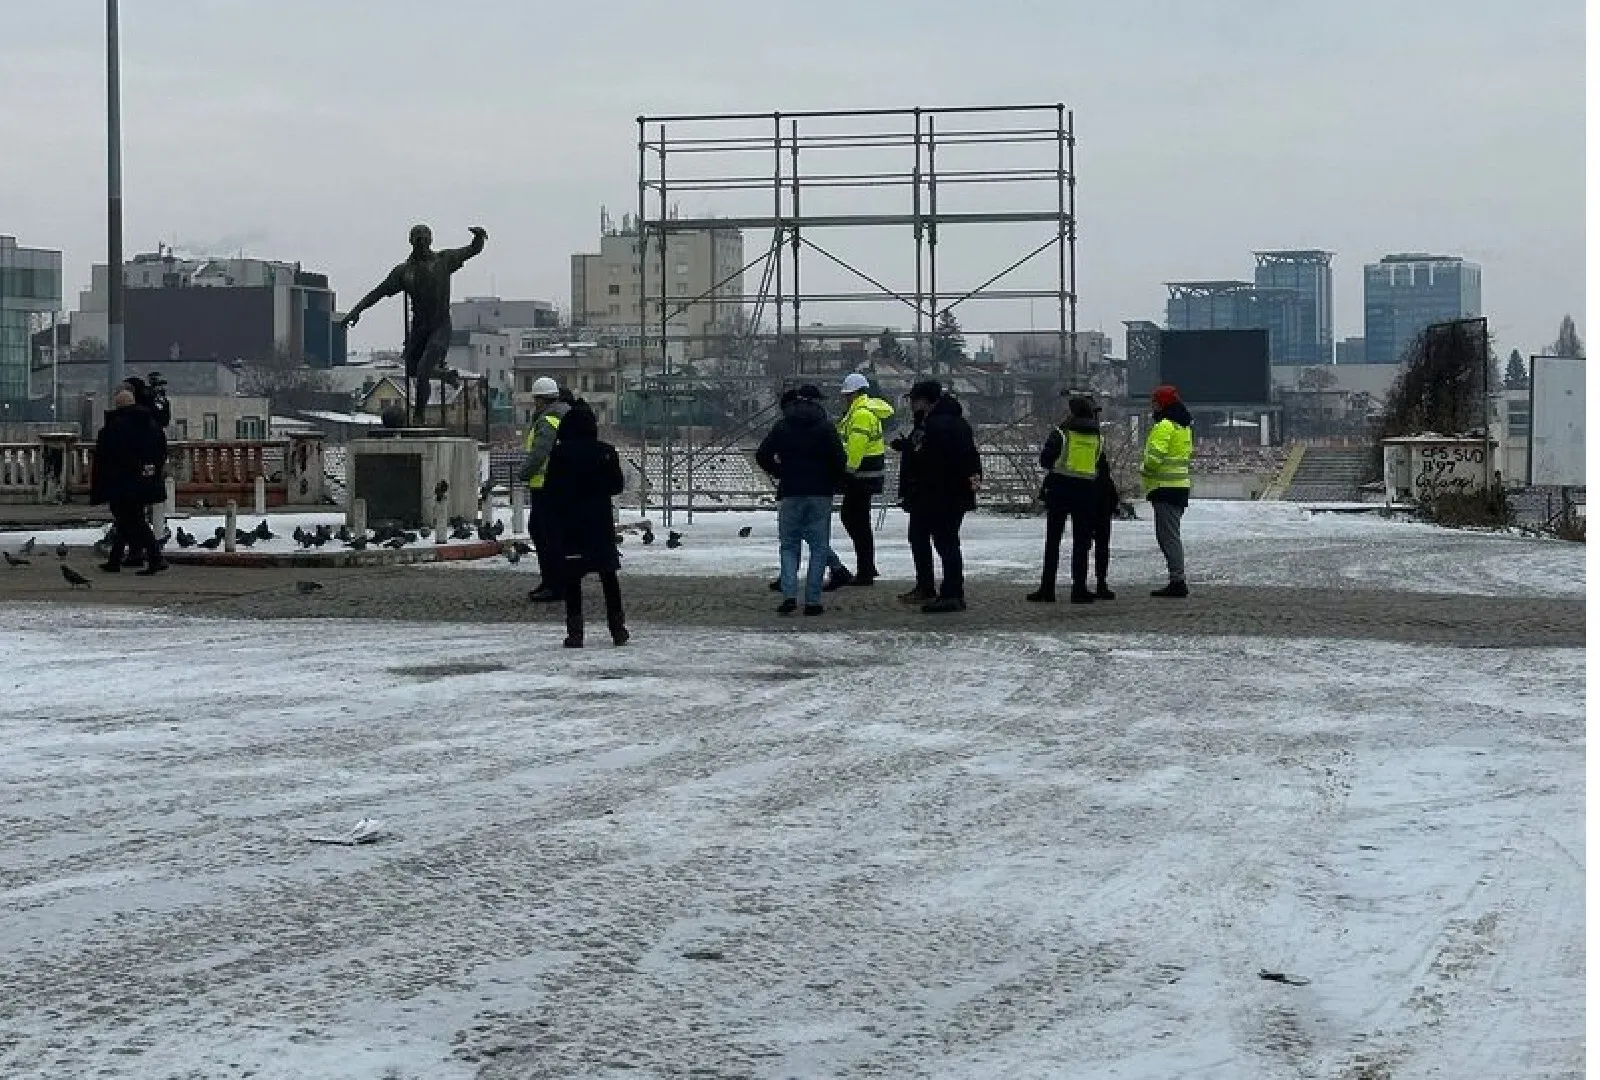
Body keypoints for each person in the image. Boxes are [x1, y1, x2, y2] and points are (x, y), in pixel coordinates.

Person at [340, 224, 488, 423]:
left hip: (440, 326)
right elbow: (378, 292)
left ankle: (419, 416)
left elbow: (472, 250)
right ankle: (444, 375)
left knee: (422, 370)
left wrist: (478, 238)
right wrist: (356, 311)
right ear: (411, 241)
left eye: (424, 237)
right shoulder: (404, 272)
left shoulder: (444, 260)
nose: (421, 241)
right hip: (419, 328)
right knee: (413, 370)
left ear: (430, 240)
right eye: (417, 238)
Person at [543, 400, 629, 648]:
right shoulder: (606, 451)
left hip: (570, 523)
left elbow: (551, 490)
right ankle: (617, 628)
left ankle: (575, 632)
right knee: (608, 577)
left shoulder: (559, 454)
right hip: (599, 523)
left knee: (572, 579)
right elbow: (616, 486)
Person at [755, 384, 847, 616]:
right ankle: (813, 601)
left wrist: (779, 471)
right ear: (817, 403)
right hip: (820, 493)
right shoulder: (825, 428)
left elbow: (762, 455)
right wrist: (832, 481)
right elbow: (840, 458)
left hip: (789, 492)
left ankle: (789, 595)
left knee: (788, 546)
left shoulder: (782, 426)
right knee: (818, 547)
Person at [898, 380, 981, 614]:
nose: (911, 404)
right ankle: (934, 588)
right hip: (944, 494)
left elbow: (931, 460)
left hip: (938, 495)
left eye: (914, 399)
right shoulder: (953, 423)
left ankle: (951, 593)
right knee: (930, 538)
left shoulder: (936, 426)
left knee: (945, 542)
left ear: (925, 400)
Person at [1030, 395, 1115, 604]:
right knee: (1081, 542)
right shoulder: (1097, 438)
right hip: (1086, 493)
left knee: (1053, 541)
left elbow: (1045, 460)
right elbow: (1098, 465)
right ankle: (1079, 588)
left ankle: (1047, 588)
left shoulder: (1061, 433)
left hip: (1060, 490)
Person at [90, 388, 169, 576]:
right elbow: (161, 452)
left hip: (122, 482)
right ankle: (115, 560)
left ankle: (156, 558)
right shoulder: (151, 424)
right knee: (127, 520)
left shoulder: (116, 426)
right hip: (146, 480)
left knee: (132, 520)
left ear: (117, 406)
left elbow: (109, 457)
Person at [835, 372, 894, 586]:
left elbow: (856, 447)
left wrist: (847, 472)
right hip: (869, 476)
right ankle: (867, 567)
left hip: (860, 476)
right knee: (859, 521)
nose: (845, 398)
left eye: (847, 394)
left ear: (853, 393)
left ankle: (865, 571)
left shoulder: (860, 414)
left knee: (853, 519)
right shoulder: (866, 412)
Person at [519, 377, 570, 603]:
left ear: (539, 399)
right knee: (551, 534)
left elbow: (540, 452)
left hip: (546, 485)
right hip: (559, 484)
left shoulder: (547, 419)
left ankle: (553, 583)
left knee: (544, 534)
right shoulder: (564, 413)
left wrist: (524, 473)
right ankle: (555, 581)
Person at [1142, 384, 1194, 598]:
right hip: (1179, 487)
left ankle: (1177, 581)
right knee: (1170, 535)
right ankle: (1176, 579)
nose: (1152, 406)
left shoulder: (1164, 425)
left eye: (1154, 402)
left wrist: (1145, 470)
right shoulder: (1184, 427)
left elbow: (1154, 457)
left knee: (1168, 537)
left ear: (1161, 403)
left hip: (1165, 488)